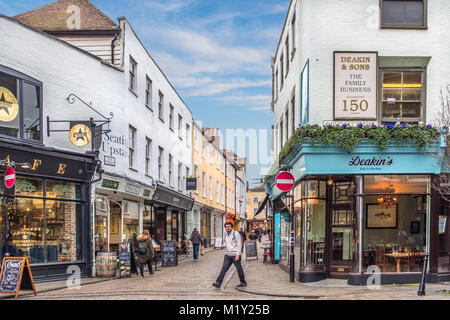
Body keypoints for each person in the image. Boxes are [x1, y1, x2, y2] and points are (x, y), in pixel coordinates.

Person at [212, 222, 247, 289]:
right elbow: (225, 242)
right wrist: (223, 245)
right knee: (224, 269)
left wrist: (238, 255)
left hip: (235, 255)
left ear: (232, 227)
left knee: (239, 269)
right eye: (226, 227)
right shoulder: (225, 235)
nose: (228, 228)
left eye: (229, 226)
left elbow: (239, 244)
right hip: (228, 255)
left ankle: (243, 282)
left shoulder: (235, 234)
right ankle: (218, 283)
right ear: (225, 228)